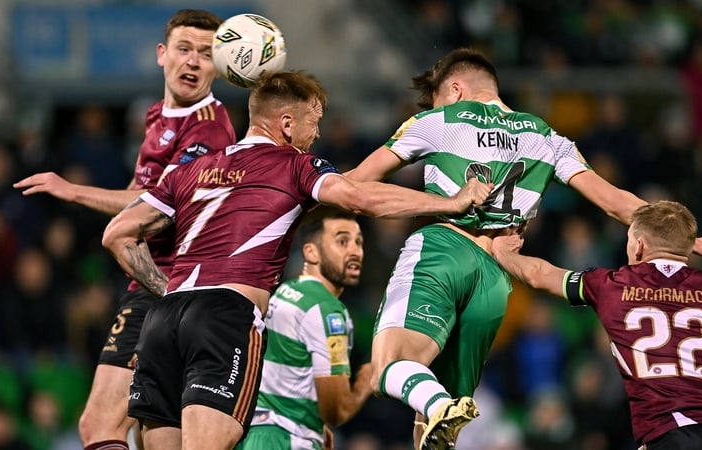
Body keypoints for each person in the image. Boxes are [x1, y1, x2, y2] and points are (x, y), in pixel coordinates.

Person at [344, 48, 702, 450]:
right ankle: (438, 406)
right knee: (433, 425)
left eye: (440, 97)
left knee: (390, 367)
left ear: (456, 89)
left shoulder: (437, 121)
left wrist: (302, 201)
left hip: (444, 248)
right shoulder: (547, 139)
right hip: (495, 278)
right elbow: (615, 201)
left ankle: (436, 401)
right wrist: (690, 240)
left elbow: (356, 183)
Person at [100, 70, 491, 450]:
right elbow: (361, 198)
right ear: (287, 123)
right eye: (313, 121)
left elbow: (117, 234)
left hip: (163, 319)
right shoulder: (294, 165)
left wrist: (168, 289)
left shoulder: (191, 171)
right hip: (225, 316)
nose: (317, 134)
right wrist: (451, 203)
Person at [12, 9, 235, 450]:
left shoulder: (209, 129)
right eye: (184, 49)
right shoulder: (158, 117)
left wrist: (73, 191)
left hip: (168, 286)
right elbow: (141, 189)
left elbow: (159, 206)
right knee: (155, 436)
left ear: (218, 66)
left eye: (206, 54)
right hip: (161, 286)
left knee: (99, 425)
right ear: (161, 54)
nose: (192, 62)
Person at [491, 200, 702, 450]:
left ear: (639, 245)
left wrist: (503, 253)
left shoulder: (611, 286)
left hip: (671, 433)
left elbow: (539, 275)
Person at [237, 211, 372, 450]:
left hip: (255, 434)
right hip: (286, 438)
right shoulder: (327, 310)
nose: (355, 251)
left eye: (359, 242)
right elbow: (336, 411)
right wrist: (367, 377)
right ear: (311, 252)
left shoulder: (285, 291)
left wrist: (315, 425)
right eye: (342, 241)